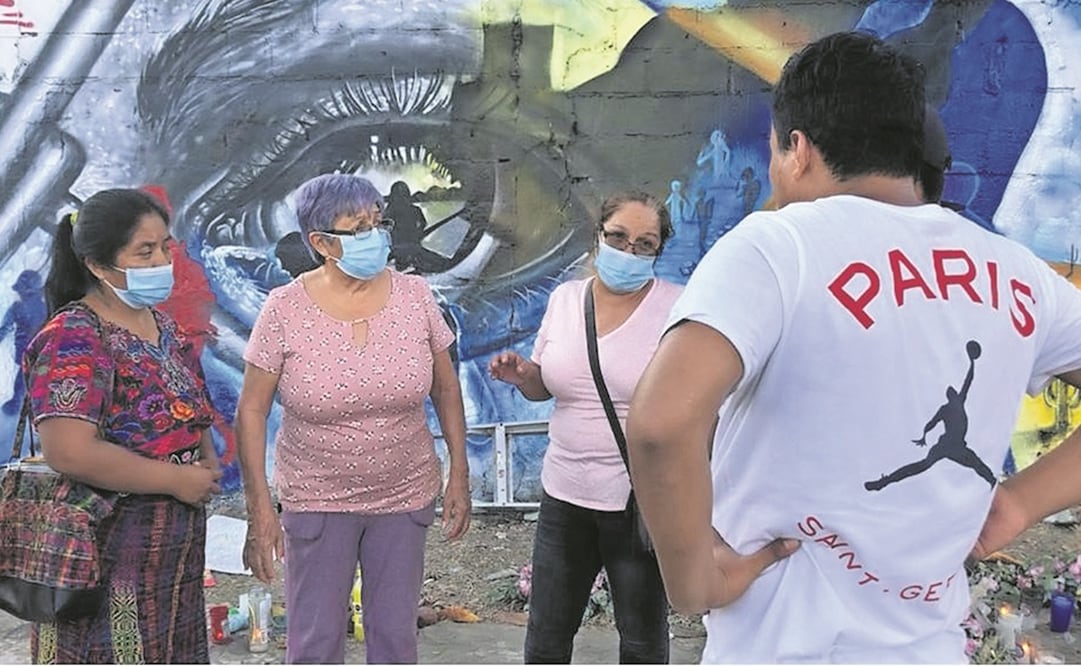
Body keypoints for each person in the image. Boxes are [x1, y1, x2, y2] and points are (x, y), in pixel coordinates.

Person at [625, 31, 1081, 663]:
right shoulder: (1019, 273)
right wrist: (1020, 503)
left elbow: (660, 423)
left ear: (799, 149)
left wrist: (693, 581)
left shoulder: (779, 246)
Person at [236, 173, 471, 665]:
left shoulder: (415, 297)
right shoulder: (284, 310)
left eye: (376, 223)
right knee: (315, 641)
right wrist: (260, 507)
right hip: (317, 499)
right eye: (357, 227)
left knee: (394, 637)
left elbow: (446, 388)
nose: (375, 237)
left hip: (404, 495)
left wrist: (460, 476)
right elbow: (252, 411)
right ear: (321, 242)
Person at [23, 188, 222, 663]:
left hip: (173, 562)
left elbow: (194, 412)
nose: (161, 261)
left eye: (165, 247)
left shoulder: (163, 327)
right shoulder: (75, 335)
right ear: (97, 265)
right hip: (107, 559)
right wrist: (176, 480)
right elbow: (69, 450)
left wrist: (205, 467)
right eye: (144, 251)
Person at [488, 191, 682, 664]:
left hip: (637, 501)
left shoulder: (677, 308)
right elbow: (547, 386)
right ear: (598, 237)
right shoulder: (565, 300)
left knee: (641, 640)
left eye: (645, 244)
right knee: (547, 638)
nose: (629, 251)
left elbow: (692, 406)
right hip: (564, 496)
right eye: (618, 237)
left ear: (658, 251)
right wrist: (523, 376)